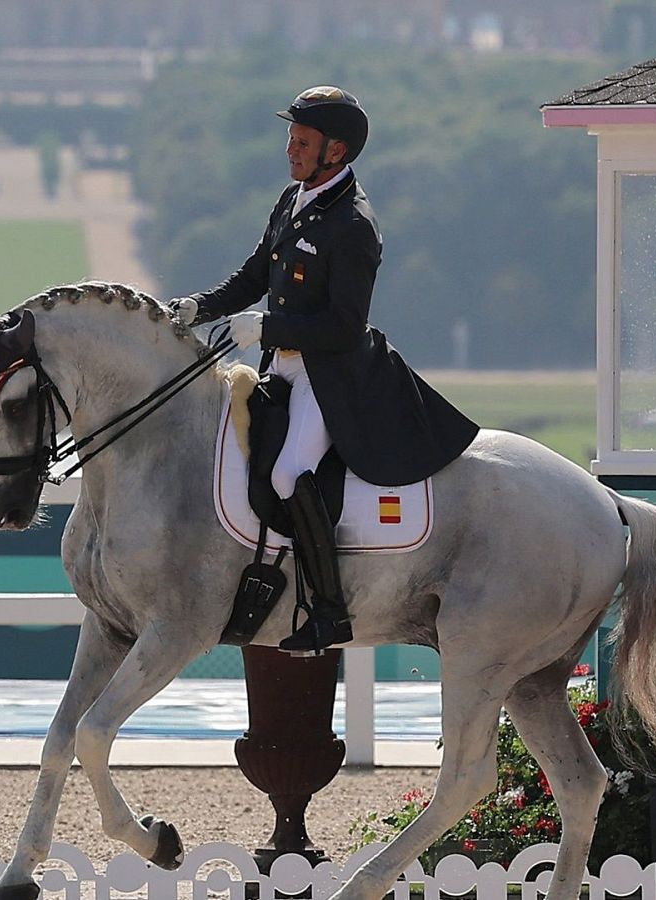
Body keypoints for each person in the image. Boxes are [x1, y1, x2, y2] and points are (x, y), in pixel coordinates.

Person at [171, 85, 479, 654]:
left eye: (302, 140)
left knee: (289, 474)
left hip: (329, 378)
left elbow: (343, 326)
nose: (290, 147)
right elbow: (252, 276)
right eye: (291, 137)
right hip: (281, 367)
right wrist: (200, 307)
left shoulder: (354, 226)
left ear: (335, 152)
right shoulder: (292, 199)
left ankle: (330, 610)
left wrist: (267, 330)